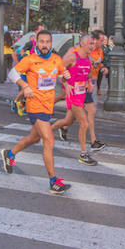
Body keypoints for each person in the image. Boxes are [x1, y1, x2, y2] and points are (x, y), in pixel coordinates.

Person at [1, 29, 72, 193]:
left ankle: (10, 154)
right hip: (35, 106)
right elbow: (13, 73)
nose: (45, 45)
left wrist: (65, 79)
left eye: (47, 42)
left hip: (48, 106)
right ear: (37, 43)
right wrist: (25, 86)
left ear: (51, 43)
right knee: (49, 140)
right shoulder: (30, 60)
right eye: (42, 42)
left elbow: (60, 74)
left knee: (33, 139)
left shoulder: (56, 59)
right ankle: (53, 181)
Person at [52, 31, 99, 166]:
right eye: (90, 44)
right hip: (72, 95)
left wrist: (89, 83)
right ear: (83, 44)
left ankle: (46, 131)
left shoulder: (88, 59)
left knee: (67, 121)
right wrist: (65, 83)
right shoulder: (72, 57)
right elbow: (57, 68)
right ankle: (83, 154)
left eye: (94, 44)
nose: (92, 46)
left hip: (81, 95)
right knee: (84, 123)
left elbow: (88, 73)